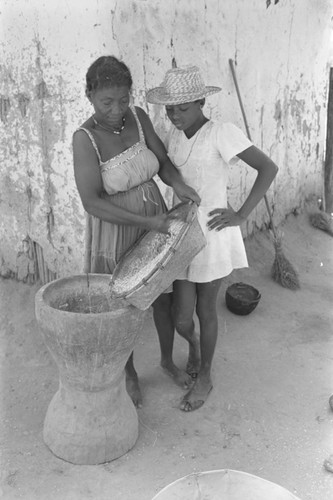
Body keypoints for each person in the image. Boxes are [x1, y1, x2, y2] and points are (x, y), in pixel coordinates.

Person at [146, 65, 279, 412]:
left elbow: (268, 168)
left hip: (213, 235)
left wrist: (241, 214)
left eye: (183, 107)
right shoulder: (172, 133)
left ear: (202, 101)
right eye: (169, 108)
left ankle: (205, 374)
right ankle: (194, 347)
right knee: (181, 318)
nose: (174, 115)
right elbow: (167, 166)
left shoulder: (222, 132)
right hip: (181, 237)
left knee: (206, 310)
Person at [72, 56, 201, 408]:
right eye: (106, 102)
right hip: (116, 231)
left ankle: (164, 360)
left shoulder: (139, 118)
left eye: (124, 99)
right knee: (125, 305)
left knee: (162, 296)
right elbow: (92, 202)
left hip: (155, 219)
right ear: (89, 96)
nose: (117, 110)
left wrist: (179, 185)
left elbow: (162, 163)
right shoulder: (85, 139)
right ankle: (128, 372)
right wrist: (148, 224)